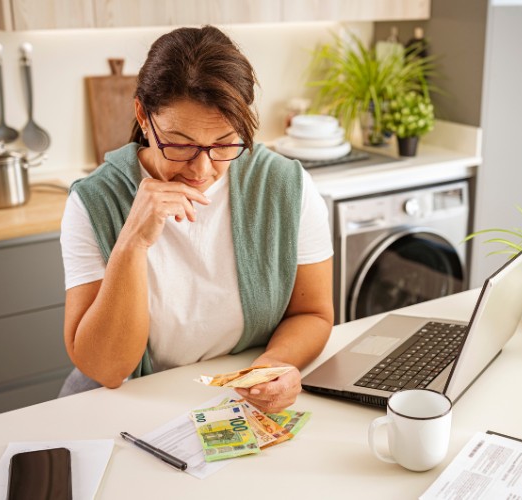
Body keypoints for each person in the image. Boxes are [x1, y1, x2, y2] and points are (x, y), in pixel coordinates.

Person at [59, 26, 334, 413]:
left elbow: (313, 313)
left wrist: (274, 364)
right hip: (125, 402)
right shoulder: (93, 201)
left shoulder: (287, 187)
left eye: (225, 143)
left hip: (228, 399)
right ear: (142, 115)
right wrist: (132, 243)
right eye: (180, 144)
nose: (202, 168)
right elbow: (106, 370)